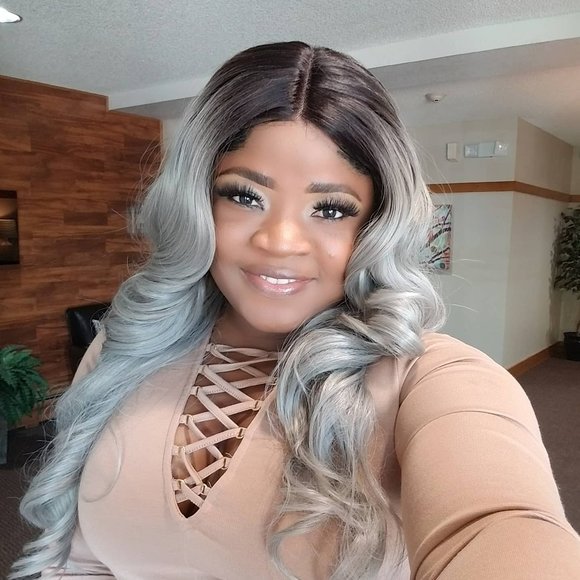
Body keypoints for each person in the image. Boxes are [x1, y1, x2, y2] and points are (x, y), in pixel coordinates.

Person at [11, 41, 580, 580]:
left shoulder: (430, 379)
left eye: (330, 209)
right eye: (244, 196)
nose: (280, 242)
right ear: (197, 202)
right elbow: (81, 560)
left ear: (375, 225)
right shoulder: (125, 347)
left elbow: (500, 525)